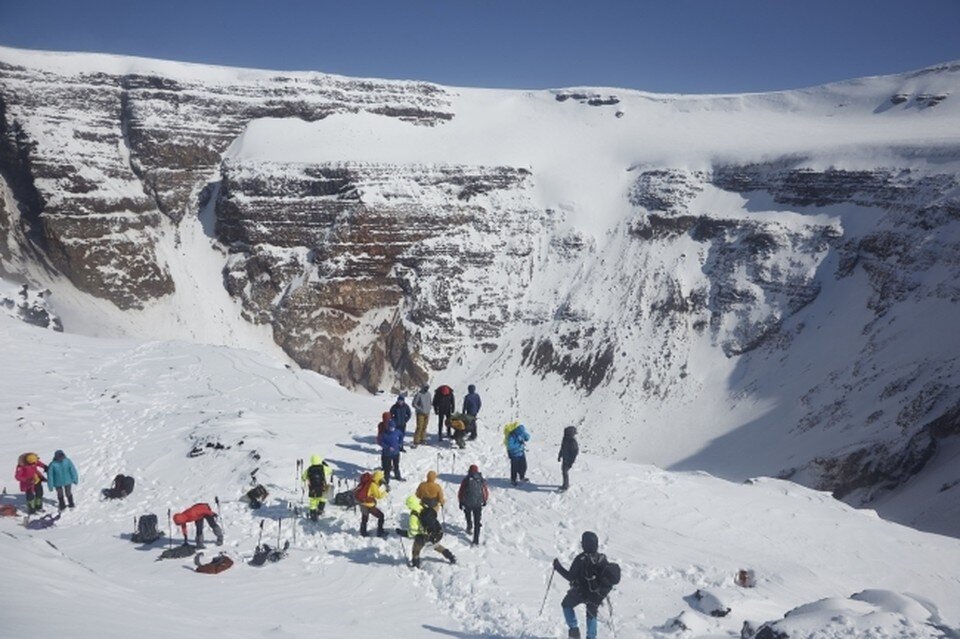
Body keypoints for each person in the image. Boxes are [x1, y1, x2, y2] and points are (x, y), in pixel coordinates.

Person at [552, 531, 612, 639]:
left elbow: (570, 577)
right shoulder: (602, 558)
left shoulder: (580, 559)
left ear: (585, 544)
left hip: (579, 592)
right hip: (595, 594)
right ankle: (591, 637)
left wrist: (558, 567)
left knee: (566, 604)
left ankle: (574, 632)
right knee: (591, 614)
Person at [404, 494, 456, 568]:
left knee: (416, 550)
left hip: (422, 536)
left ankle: (415, 564)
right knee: (436, 546)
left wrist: (404, 533)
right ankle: (450, 556)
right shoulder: (423, 506)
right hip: (433, 532)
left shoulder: (414, 515)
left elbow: (413, 532)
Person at [457, 464, 489, 545]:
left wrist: (461, 501)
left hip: (467, 502)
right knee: (477, 521)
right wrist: (485, 500)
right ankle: (476, 540)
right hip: (478, 503)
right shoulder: (481, 479)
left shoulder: (466, 479)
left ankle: (469, 526)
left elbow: (461, 491)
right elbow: (485, 490)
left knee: (467, 514)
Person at [357, 470, 388, 537]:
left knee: (364, 518)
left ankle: (363, 532)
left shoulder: (369, 481)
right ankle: (380, 532)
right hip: (369, 504)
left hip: (362, 502)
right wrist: (385, 491)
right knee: (381, 516)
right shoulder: (373, 485)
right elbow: (378, 496)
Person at [302, 454, 333, 520]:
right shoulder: (323, 468)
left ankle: (313, 515)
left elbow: (303, 477)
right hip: (322, 488)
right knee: (323, 498)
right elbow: (331, 471)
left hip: (312, 489)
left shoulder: (309, 469)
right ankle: (320, 510)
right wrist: (325, 464)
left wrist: (305, 478)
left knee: (313, 502)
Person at [503, 421, 530, 486]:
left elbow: (528, 438)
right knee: (514, 468)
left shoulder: (522, 433)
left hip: (521, 453)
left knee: (524, 466)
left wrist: (524, 435)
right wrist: (519, 443)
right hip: (514, 454)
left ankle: (522, 476)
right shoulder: (511, 436)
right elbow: (510, 446)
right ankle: (513, 479)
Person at [380, 419, 403, 485]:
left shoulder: (397, 432)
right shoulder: (384, 434)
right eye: (390, 427)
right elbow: (381, 442)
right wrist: (387, 447)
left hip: (396, 453)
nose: (392, 428)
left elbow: (401, 436)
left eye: (393, 427)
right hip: (387, 455)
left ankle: (397, 476)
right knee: (387, 468)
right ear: (388, 427)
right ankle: (386, 480)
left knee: (396, 466)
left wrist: (400, 443)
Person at [557, 426, 580, 491]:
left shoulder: (572, 441)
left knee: (565, 471)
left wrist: (571, 461)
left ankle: (566, 485)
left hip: (568, 460)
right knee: (564, 471)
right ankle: (565, 484)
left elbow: (575, 452)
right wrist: (560, 455)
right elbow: (562, 448)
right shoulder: (565, 439)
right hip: (565, 458)